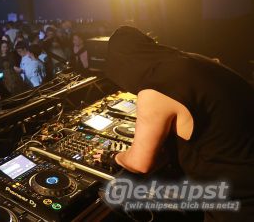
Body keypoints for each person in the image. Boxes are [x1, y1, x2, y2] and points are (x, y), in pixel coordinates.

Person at [103, 26, 254, 222]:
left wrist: (114, 157)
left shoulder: (155, 87)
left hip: (239, 200)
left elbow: (140, 164)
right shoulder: (194, 60)